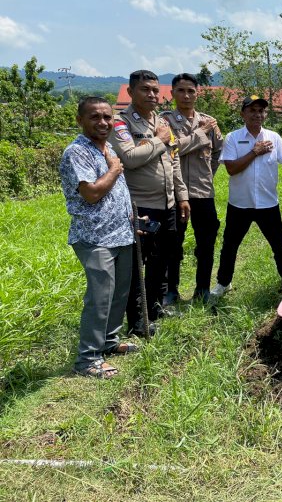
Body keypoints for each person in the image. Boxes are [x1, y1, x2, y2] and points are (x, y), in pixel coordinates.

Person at [60, 97, 138, 378]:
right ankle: (87, 359)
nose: (103, 122)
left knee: (119, 293)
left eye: (107, 117)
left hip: (121, 233)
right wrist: (115, 170)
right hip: (94, 237)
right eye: (95, 117)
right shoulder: (77, 152)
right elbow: (92, 193)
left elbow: (118, 193)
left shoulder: (108, 149)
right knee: (100, 297)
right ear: (80, 120)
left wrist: (131, 218)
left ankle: (109, 342)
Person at [109, 70, 190, 336]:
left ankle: (153, 308)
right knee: (137, 264)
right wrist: (159, 140)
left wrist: (182, 196)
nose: (152, 94)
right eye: (145, 89)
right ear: (131, 92)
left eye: (155, 90)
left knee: (162, 260)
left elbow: (174, 159)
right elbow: (130, 158)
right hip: (140, 206)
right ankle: (136, 323)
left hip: (167, 204)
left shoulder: (161, 121)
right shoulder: (121, 123)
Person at [209, 95, 282, 303]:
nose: (257, 115)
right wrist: (255, 152)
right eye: (252, 110)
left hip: (268, 204)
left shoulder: (274, 137)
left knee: (280, 246)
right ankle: (223, 283)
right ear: (243, 114)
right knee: (230, 246)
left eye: (261, 111)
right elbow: (232, 169)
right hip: (239, 205)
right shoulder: (233, 138)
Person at [161, 73, 224, 304]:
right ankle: (171, 291)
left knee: (206, 243)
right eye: (181, 90)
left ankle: (202, 289)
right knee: (173, 244)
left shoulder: (209, 121)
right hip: (175, 193)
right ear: (173, 93)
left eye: (191, 91)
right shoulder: (164, 122)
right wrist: (199, 134)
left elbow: (218, 152)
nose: (186, 95)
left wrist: (208, 174)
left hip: (203, 193)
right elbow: (172, 149)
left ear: (197, 93)